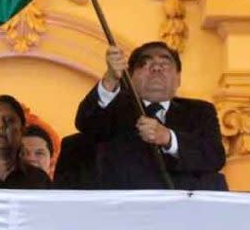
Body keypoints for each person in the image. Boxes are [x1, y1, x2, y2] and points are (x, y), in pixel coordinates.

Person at [75, 41, 226, 190]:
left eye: (165, 63)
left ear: (178, 78)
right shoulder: (113, 109)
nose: (156, 68)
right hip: (125, 206)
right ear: (130, 77)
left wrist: (168, 138)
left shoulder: (200, 111)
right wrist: (110, 79)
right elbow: (86, 122)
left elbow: (214, 157)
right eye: (145, 63)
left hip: (182, 208)